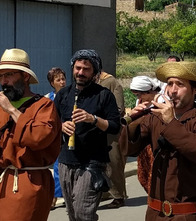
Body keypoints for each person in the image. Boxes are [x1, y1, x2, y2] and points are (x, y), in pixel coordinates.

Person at [125, 61, 196, 220]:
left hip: (187, 215)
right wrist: (132, 125)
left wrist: (170, 123)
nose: (172, 90)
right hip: (155, 213)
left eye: (180, 84)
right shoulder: (155, 117)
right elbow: (129, 149)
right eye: (169, 84)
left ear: (195, 89)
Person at [0, 48, 61, 220]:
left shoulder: (44, 106)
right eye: (1, 76)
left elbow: (39, 138)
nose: (4, 81)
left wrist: (12, 110)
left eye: (9, 75)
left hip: (29, 183)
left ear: (25, 77)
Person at [55, 49, 122, 220]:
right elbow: (51, 123)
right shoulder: (63, 94)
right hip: (66, 161)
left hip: (92, 163)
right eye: (78, 68)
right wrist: (62, 126)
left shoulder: (103, 95)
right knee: (72, 214)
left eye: (86, 69)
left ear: (95, 72)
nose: (81, 73)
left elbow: (115, 126)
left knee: (83, 212)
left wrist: (92, 119)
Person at [95, 69, 127, 209]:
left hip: (111, 130)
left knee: (114, 162)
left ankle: (119, 196)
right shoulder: (94, 83)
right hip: (96, 130)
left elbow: (119, 107)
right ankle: (105, 191)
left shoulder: (112, 82)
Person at [126, 76, 163, 194]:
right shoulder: (140, 102)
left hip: (156, 144)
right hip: (143, 145)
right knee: (144, 176)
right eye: (137, 95)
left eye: (140, 94)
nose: (139, 98)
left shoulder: (161, 100)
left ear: (149, 91)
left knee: (156, 176)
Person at [46, 67, 67, 209]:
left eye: (63, 79)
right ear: (52, 83)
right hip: (55, 136)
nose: (62, 82)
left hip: (69, 134)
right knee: (57, 166)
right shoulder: (48, 98)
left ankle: (62, 196)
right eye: (58, 80)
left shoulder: (71, 95)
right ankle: (55, 196)